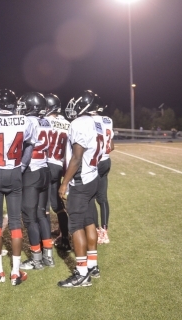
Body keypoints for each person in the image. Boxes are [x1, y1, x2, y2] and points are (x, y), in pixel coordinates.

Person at [0, 89, 36, 285]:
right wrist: (23, 166)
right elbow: (29, 145)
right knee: (15, 222)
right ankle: (16, 272)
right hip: (15, 171)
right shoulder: (26, 121)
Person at [57, 90, 103, 288]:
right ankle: (92, 265)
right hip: (93, 176)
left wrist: (65, 182)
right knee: (88, 220)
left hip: (81, 179)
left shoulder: (79, 123)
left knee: (75, 225)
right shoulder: (98, 122)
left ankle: (82, 274)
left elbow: (76, 157)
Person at [17, 92, 54, 270]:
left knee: (30, 218)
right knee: (42, 214)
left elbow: (24, 147)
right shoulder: (46, 121)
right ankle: (48, 255)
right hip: (44, 169)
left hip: (31, 171)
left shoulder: (28, 122)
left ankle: (36, 259)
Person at [43, 93, 71, 252]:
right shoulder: (68, 124)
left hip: (47, 164)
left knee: (44, 206)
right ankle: (65, 238)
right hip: (60, 166)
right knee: (57, 204)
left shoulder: (45, 121)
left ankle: (45, 242)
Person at [92, 95, 114, 244]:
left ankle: (94, 230)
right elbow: (111, 146)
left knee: (90, 197)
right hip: (106, 160)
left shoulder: (87, 121)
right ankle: (104, 231)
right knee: (103, 198)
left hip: (93, 161)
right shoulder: (108, 120)